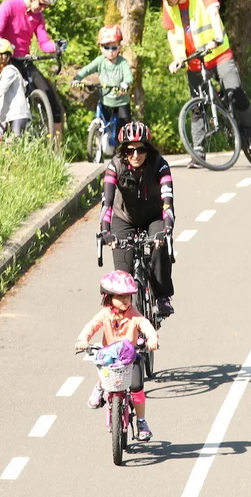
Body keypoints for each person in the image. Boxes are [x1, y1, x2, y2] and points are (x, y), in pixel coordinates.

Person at [153, 0, 251, 166]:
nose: (166, 0)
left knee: (235, 91)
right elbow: (172, 33)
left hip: (219, 54)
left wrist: (217, 38)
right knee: (198, 105)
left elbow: (213, 13)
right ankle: (198, 152)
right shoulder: (168, 6)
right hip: (194, 60)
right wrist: (178, 58)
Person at [99, 121, 176, 316]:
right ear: (123, 152)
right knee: (123, 276)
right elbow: (107, 202)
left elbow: (168, 200)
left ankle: (162, 296)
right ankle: (126, 318)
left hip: (153, 216)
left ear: (148, 150)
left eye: (141, 149)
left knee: (160, 247)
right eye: (130, 150)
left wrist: (167, 229)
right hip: (124, 218)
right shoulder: (114, 166)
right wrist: (106, 232)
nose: (135, 155)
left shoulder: (160, 165)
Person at [74, 270, 159, 441]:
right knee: (103, 365)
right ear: (108, 297)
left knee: (137, 388)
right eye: (120, 297)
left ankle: (141, 422)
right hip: (110, 357)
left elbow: (145, 324)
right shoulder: (105, 314)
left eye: (128, 296)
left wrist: (152, 338)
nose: (125, 300)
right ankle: (99, 389)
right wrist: (83, 339)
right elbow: (92, 326)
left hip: (130, 357)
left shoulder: (133, 314)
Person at [0, 0, 67, 146]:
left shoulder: (38, 16)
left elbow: (44, 43)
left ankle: (57, 153)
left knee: (51, 98)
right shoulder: (9, 6)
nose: (43, 8)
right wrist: (3, 49)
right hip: (6, 59)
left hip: (24, 60)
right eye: (42, 4)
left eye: (47, 6)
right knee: (13, 101)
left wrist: (56, 46)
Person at [71, 25, 133, 150]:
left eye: (114, 47)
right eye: (106, 47)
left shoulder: (122, 63)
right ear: (100, 47)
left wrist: (125, 84)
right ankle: (97, 143)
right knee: (102, 121)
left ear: (119, 47)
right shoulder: (100, 61)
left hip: (121, 101)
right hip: (105, 100)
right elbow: (87, 69)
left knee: (124, 127)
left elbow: (128, 76)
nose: (110, 51)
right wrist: (77, 78)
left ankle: (125, 149)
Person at [0, 38, 30, 140]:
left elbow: (1, 89)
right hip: (7, 116)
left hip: (18, 114)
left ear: (3, 58)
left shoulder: (10, 71)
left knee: (14, 142)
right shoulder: (0, 74)